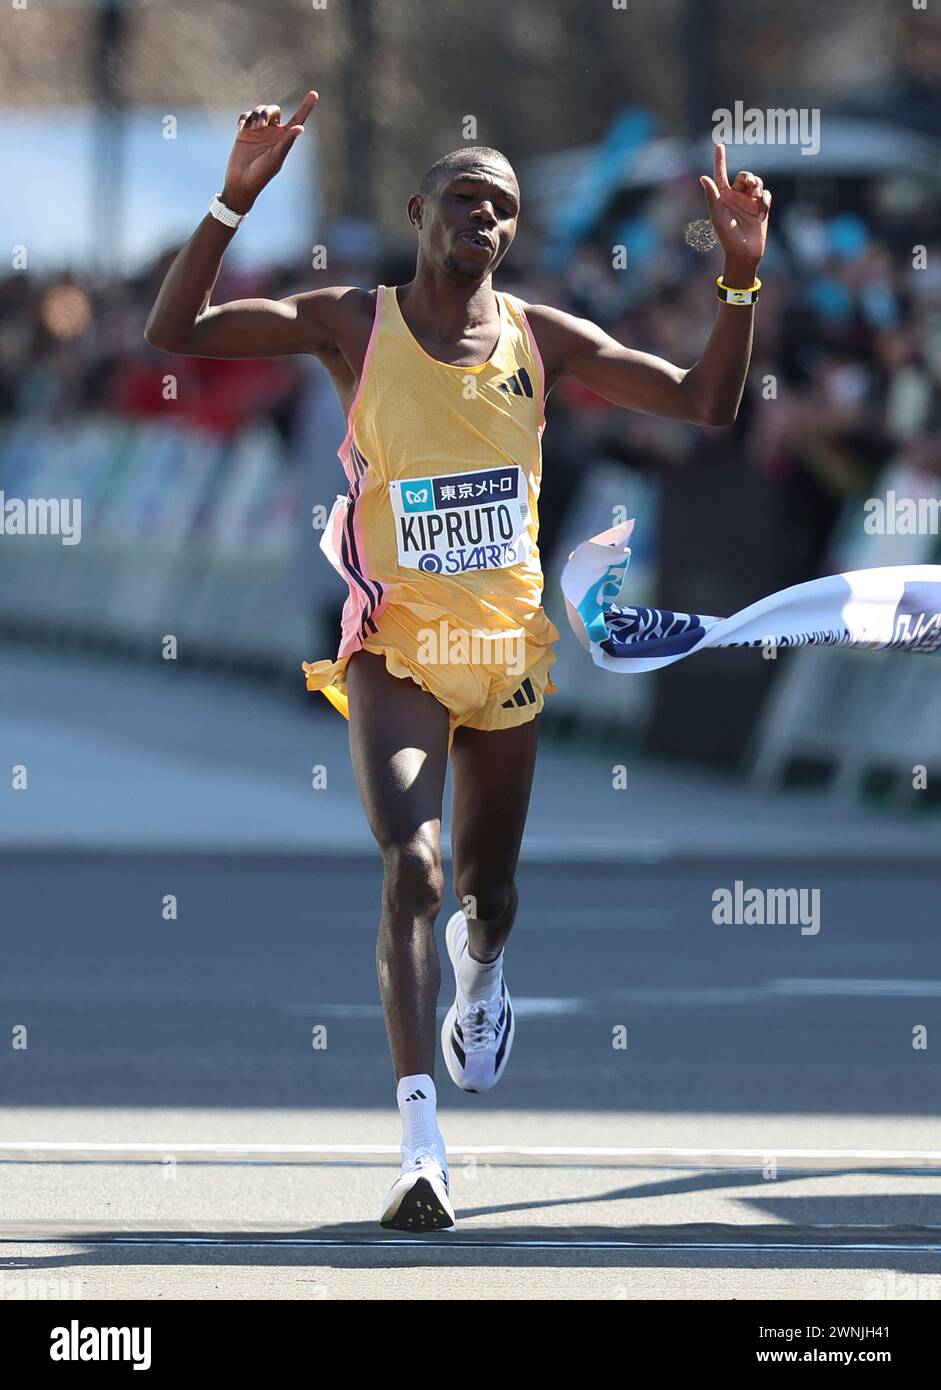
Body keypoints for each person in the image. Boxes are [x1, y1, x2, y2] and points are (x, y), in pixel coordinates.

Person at [144, 91, 772, 1231]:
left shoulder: (542, 338)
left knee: (485, 895)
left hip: (505, 651)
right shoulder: (351, 322)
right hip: (394, 647)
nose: (482, 216)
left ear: (510, 234)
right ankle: (420, 1145)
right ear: (421, 210)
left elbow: (705, 401)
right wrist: (233, 197)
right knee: (413, 869)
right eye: (464, 198)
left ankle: (481, 976)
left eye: (502, 207)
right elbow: (175, 331)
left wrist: (737, 277)